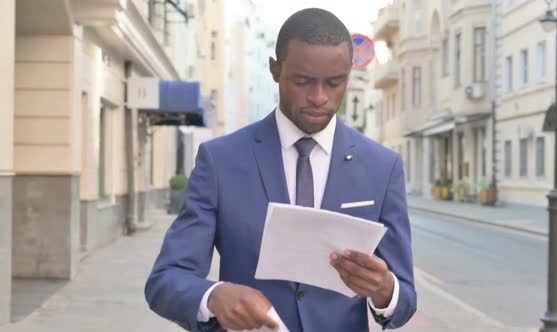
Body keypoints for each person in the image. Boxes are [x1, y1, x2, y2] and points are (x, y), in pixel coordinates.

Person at [145, 8, 416, 332]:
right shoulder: (220, 161)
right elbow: (166, 279)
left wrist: (385, 289)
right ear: (276, 70)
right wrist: (213, 295)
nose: (319, 98)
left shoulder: (383, 167)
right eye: (302, 81)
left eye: (334, 83)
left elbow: (405, 299)